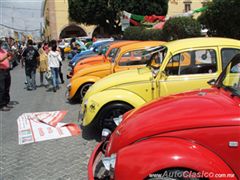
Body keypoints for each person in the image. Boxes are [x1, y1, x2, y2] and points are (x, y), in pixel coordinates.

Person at [0, 40, 13, 111]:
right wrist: (5, 57)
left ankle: (6, 102)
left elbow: (8, 59)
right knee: (1, 88)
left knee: (7, 88)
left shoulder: (3, 50)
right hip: (1, 71)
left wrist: (10, 56)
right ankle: (2, 105)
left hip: (6, 70)